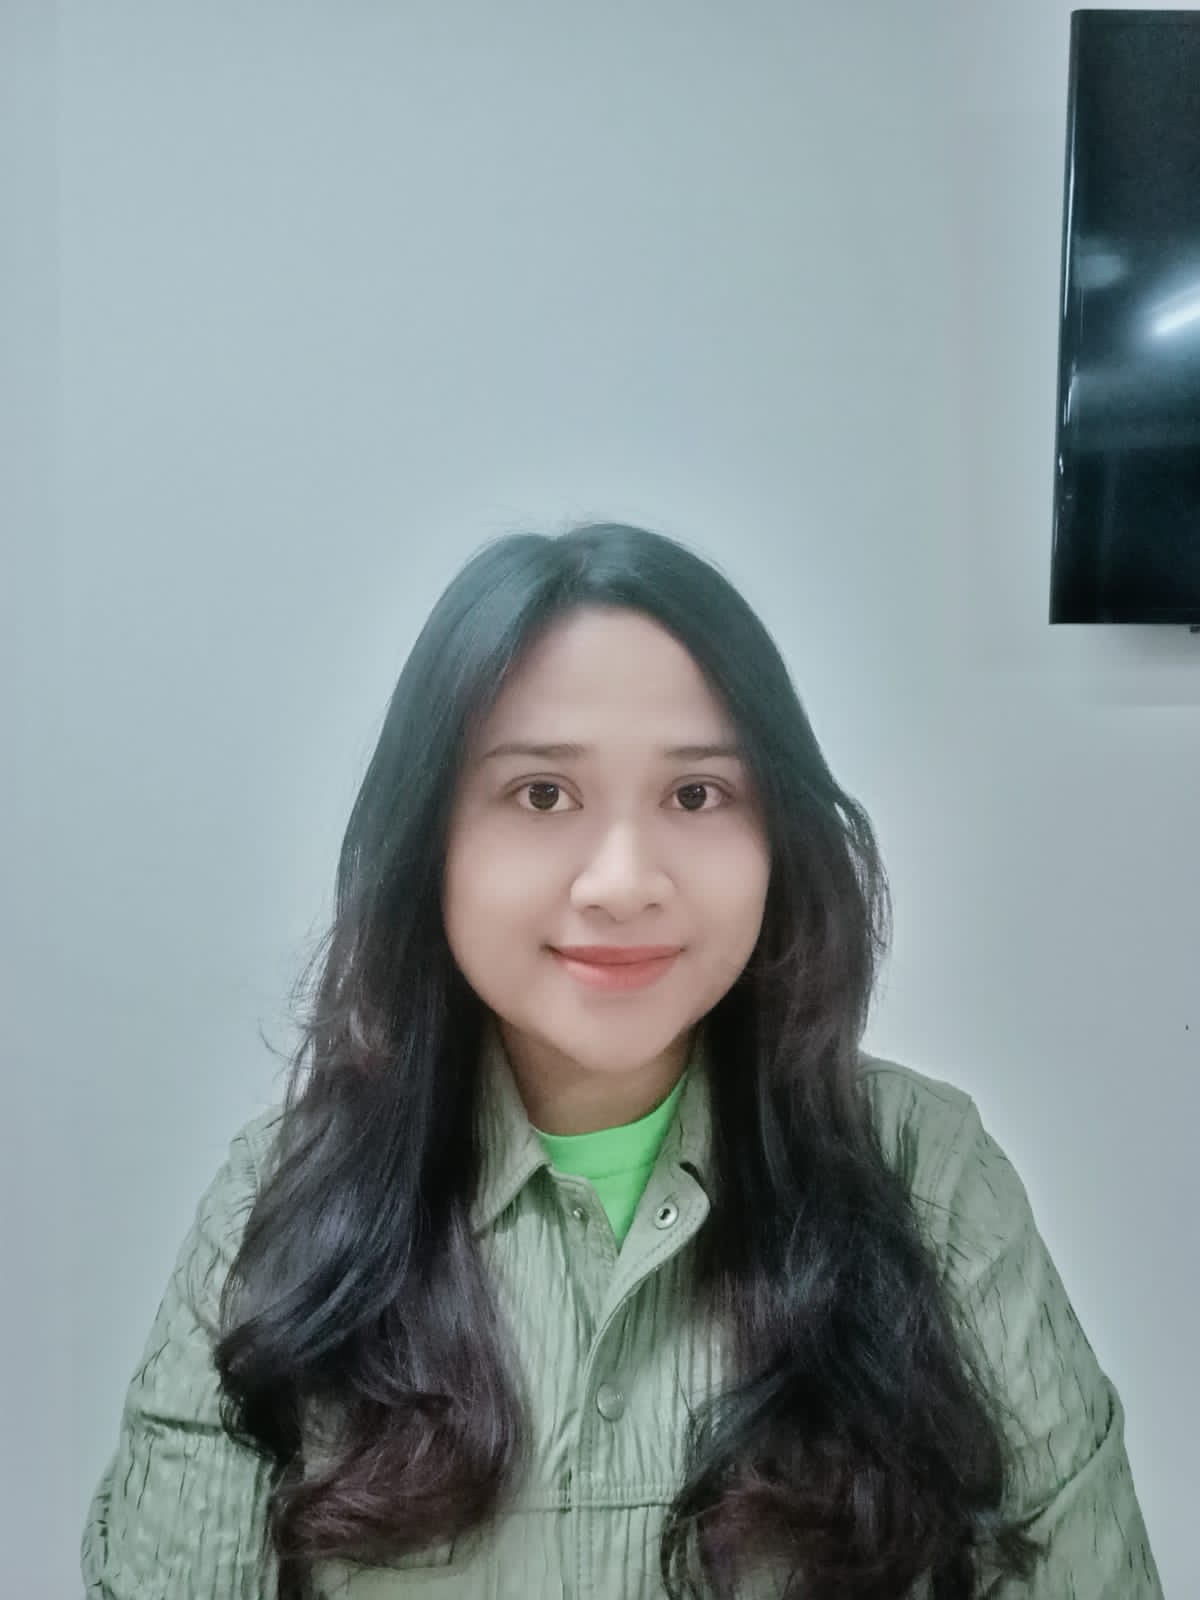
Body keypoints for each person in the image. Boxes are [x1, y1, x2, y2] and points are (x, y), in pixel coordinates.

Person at [81, 522, 1164, 1599]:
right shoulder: (282, 1200)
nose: (623, 882)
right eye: (541, 794)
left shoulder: (930, 1174)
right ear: (431, 839)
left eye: (696, 795)